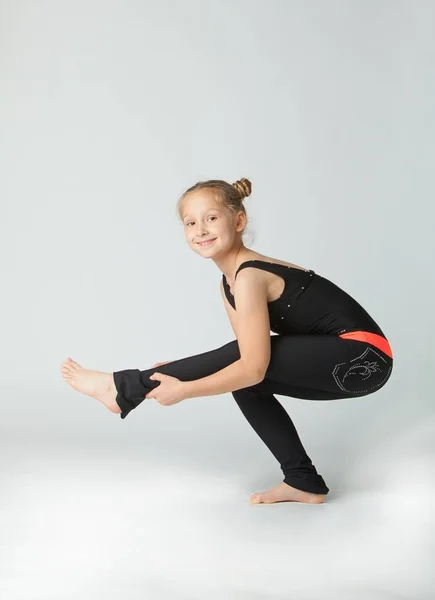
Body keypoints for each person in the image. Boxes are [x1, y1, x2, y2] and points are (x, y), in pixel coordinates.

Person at [61, 177, 393, 505]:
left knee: (245, 368)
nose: (200, 229)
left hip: (364, 356)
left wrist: (185, 387)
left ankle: (124, 387)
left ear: (239, 221)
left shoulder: (250, 275)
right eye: (190, 222)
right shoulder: (229, 283)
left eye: (211, 218)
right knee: (246, 382)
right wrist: (183, 371)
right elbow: (246, 366)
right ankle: (303, 481)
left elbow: (251, 364)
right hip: (354, 364)